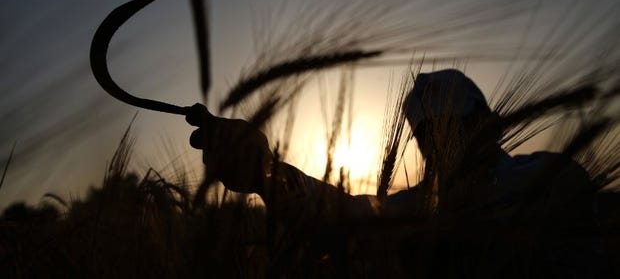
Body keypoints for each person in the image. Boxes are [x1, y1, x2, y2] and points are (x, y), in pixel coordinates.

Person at [186, 69, 602, 275]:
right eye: (428, 134)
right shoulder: (411, 208)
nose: (442, 145)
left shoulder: (553, 177)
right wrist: (265, 173)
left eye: (457, 126)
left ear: (487, 122)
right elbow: (337, 217)